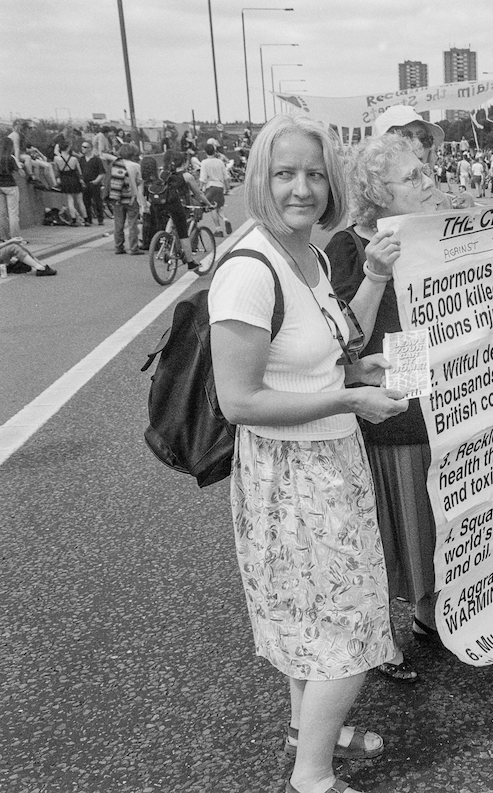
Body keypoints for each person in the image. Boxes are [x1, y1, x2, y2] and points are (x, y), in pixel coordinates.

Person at [208, 113, 408, 793]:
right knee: (349, 635)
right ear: (260, 177)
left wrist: (373, 285)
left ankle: (307, 735)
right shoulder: (248, 270)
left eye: (315, 174)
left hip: (329, 459)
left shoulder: (309, 253)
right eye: (286, 172)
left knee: (310, 620)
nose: (302, 188)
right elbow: (240, 400)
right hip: (291, 472)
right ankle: (311, 778)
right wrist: (348, 401)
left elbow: (338, 336)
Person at [326, 133, 444, 675]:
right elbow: (342, 341)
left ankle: (427, 612)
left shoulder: (428, 230)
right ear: (377, 192)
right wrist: (376, 272)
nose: (426, 183)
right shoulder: (349, 247)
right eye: (412, 177)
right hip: (380, 404)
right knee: (385, 526)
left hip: (430, 393)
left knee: (426, 514)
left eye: (425, 172)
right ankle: (379, 638)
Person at [372, 106, 456, 211]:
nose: (418, 144)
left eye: (424, 138)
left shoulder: (442, 202)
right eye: (403, 138)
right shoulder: (364, 215)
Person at [156, 149, 214, 266]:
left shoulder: (165, 174)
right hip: (179, 205)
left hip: (161, 204)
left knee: (172, 219)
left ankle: (165, 239)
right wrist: (209, 204)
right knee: (183, 233)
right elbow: (198, 194)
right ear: (184, 163)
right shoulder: (187, 176)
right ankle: (190, 262)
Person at [110, 144, 143, 255]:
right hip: (131, 198)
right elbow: (139, 181)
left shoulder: (115, 165)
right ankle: (134, 248)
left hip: (118, 198)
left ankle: (118, 247)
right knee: (132, 224)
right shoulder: (135, 166)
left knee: (118, 224)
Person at [0, 137, 26, 241]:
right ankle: (16, 237)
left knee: (2, 213)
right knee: (13, 213)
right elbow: (21, 174)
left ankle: (4, 237)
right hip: (11, 187)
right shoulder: (11, 158)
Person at [53, 140, 87, 226]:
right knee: (80, 200)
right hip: (74, 179)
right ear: (68, 148)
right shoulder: (74, 159)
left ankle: (74, 220)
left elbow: (57, 171)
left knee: (70, 200)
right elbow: (79, 172)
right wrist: (81, 180)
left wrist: (58, 180)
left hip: (64, 179)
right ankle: (86, 219)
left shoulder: (56, 159)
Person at [199, 142, 229, 237]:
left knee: (212, 208)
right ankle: (225, 219)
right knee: (218, 206)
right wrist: (227, 187)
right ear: (214, 151)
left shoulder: (204, 163)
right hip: (220, 186)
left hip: (210, 187)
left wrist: (200, 189)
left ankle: (218, 229)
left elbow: (203, 178)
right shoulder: (220, 162)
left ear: (205, 152)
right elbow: (225, 176)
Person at [78, 140, 106, 226]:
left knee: (97, 201)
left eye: (85, 147)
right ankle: (88, 219)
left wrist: (96, 181)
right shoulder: (81, 159)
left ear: (90, 148)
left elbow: (102, 172)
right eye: (82, 147)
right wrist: (81, 180)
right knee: (86, 202)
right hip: (85, 183)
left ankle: (100, 219)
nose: (83, 149)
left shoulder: (97, 159)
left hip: (94, 183)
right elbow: (78, 171)